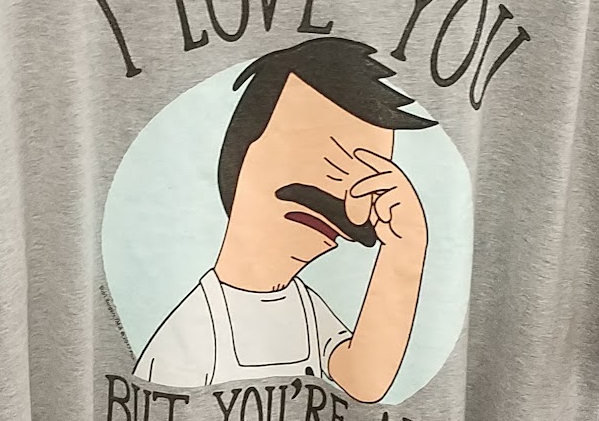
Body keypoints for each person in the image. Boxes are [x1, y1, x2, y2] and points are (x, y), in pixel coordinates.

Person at [135, 39, 433, 402]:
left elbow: (363, 381)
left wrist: (405, 247)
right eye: (318, 156)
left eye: (365, 180)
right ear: (241, 155)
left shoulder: (302, 306)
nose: (348, 208)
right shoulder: (191, 337)